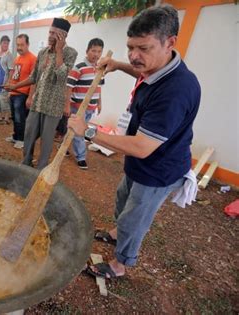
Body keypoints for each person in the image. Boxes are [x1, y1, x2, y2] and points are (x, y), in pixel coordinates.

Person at [68, 5, 201, 280]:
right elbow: (143, 72)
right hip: (140, 162)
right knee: (122, 198)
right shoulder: (157, 67)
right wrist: (118, 65)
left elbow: (142, 146)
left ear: (170, 43)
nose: (134, 55)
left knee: (135, 217)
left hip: (158, 169)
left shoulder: (176, 90)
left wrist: (88, 132)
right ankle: (118, 234)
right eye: (130, 47)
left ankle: (119, 266)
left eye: (143, 48)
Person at [6, 18, 78, 169]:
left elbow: (61, 75)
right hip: (37, 102)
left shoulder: (71, 53)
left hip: (53, 106)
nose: (50, 35)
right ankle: (26, 164)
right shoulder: (43, 52)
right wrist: (14, 86)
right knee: (29, 134)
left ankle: (40, 170)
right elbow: (34, 77)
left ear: (63, 36)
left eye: (54, 33)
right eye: (50, 32)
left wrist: (58, 50)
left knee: (46, 142)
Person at [65, 38, 105, 169]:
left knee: (73, 129)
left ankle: (63, 146)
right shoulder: (79, 68)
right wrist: (67, 105)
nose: (96, 54)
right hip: (78, 108)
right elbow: (69, 87)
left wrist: (99, 103)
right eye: (93, 51)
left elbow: (99, 88)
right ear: (87, 50)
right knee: (79, 132)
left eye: (99, 51)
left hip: (91, 108)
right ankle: (81, 157)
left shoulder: (101, 69)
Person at [5, 34, 37, 149]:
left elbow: (34, 80)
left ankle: (22, 139)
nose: (19, 47)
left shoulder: (33, 59)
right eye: (18, 45)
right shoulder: (17, 58)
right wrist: (9, 90)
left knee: (20, 118)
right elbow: (13, 75)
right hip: (14, 93)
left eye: (22, 45)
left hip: (23, 94)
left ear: (27, 44)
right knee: (14, 117)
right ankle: (15, 136)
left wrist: (30, 97)